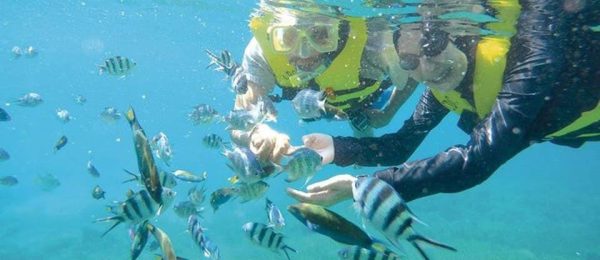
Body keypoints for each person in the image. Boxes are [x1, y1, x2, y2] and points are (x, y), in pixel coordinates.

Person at [288, 0, 600, 206]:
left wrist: (365, 186)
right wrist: (335, 149)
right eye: (410, 61)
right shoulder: (445, 85)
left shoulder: (531, 56)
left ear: (465, 36)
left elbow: (476, 161)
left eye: (431, 45)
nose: (426, 68)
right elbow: (400, 145)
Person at [226, 1, 419, 163]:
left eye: (320, 35)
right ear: (273, 35)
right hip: (313, 104)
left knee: (362, 124)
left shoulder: (373, 42)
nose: (304, 53)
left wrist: (388, 112)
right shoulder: (261, 53)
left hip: (364, 99)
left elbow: (415, 73)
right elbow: (238, 121)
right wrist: (255, 133)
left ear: (338, 28)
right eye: (288, 37)